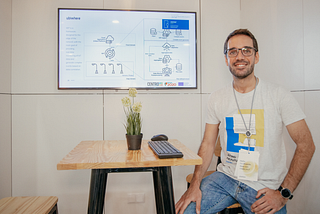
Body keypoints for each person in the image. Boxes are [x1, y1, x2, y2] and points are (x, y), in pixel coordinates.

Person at [175, 29, 315, 214]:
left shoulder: (279, 95)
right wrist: (195, 185)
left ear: (256, 56)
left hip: (264, 186)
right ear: (226, 59)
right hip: (225, 178)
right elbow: (208, 144)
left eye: (246, 50)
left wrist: (283, 193)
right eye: (233, 51)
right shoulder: (217, 98)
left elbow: (306, 144)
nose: (239, 56)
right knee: (183, 210)